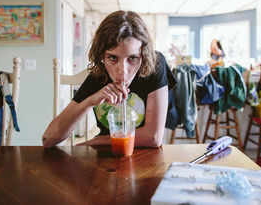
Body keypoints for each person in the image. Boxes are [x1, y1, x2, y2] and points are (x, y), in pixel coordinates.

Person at [42, 10, 176, 148]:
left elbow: (153, 138)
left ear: (144, 55)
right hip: (104, 160)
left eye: (133, 58)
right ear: (102, 56)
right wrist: (90, 101)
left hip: (146, 160)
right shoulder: (99, 75)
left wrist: (97, 141)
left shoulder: (155, 64)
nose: (122, 71)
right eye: (113, 57)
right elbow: (48, 139)